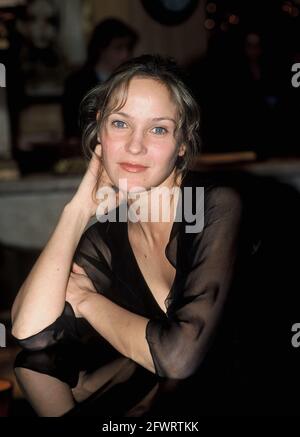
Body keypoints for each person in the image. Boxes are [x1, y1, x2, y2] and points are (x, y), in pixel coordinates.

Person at [11, 54, 243, 380]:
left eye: (158, 129)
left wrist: (87, 301)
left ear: (182, 143)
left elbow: (177, 358)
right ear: (99, 134)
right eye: (120, 123)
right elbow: (31, 332)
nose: (135, 146)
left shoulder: (214, 208)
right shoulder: (107, 240)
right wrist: (76, 213)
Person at [62, 18, 138, 146]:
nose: (125, 54)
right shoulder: (76, 82)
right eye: (118, 48)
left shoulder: (132, 81)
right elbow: (72, 128)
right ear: (101, 48)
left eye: (128, 48)